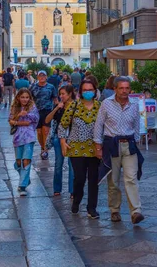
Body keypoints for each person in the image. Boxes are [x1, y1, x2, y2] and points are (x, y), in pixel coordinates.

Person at [94, 76, 145, 224]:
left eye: (127, 88)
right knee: (114, 181)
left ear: (130, 89)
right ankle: (114, 210)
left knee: (131, 178)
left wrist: (136, 141)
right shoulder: (106, 104)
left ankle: (136, 211)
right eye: (121, 88)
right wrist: (98, 146)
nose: (124, 91)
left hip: (129, 144)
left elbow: (136, 124)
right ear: (115, 89)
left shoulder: (134, 104)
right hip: (112, 144)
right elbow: (99, 125)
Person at [59, 80, 101, 219]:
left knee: (94, 179)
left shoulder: (100, 107)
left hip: (94, 147)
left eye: (91, 89)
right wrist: (63, 141)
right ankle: (77, 199)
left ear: (95, 91)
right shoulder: (74, 106)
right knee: (79, 178)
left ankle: (92, 208)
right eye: (85, 89)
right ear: (81, 92)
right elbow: (63, 124)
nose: (88, 92)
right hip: (76, 147)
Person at [45, 85, 76, 197]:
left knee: (72, 165)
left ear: (70, 94)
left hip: (73, 138)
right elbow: (47, 120)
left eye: (63, 94)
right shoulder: (58, 107)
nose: (61, 96)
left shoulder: (76, 106)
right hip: (59, 138)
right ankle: (57, 189)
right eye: (60, 94)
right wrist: (57, 108)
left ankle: (72, 190)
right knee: (58, 163)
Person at [9, 89, 40, 196]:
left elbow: (33, 120)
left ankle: (22, 185)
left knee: (26, 160)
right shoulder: (14, 107)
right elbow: (10, 120)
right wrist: (18, 118)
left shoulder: (32, 107)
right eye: (22, 97)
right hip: (18, 138)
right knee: (18, 162)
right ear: (18, 97)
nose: (25, 99)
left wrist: (26, 115)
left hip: (29, 137)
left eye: (27, 97)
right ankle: (26, 179)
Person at [30, 70, 57, 160]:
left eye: (43, 75)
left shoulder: (51, 87)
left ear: (46, 77)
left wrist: (57, 109)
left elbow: (55, 99)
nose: (42, 77)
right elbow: (29, 98)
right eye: (40, 75)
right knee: (39, 132)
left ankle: (45, 150)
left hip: (47, 111)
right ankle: (42, 147)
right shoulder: (33, 87)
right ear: (37, 77)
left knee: (46, 131)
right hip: (36, 112)